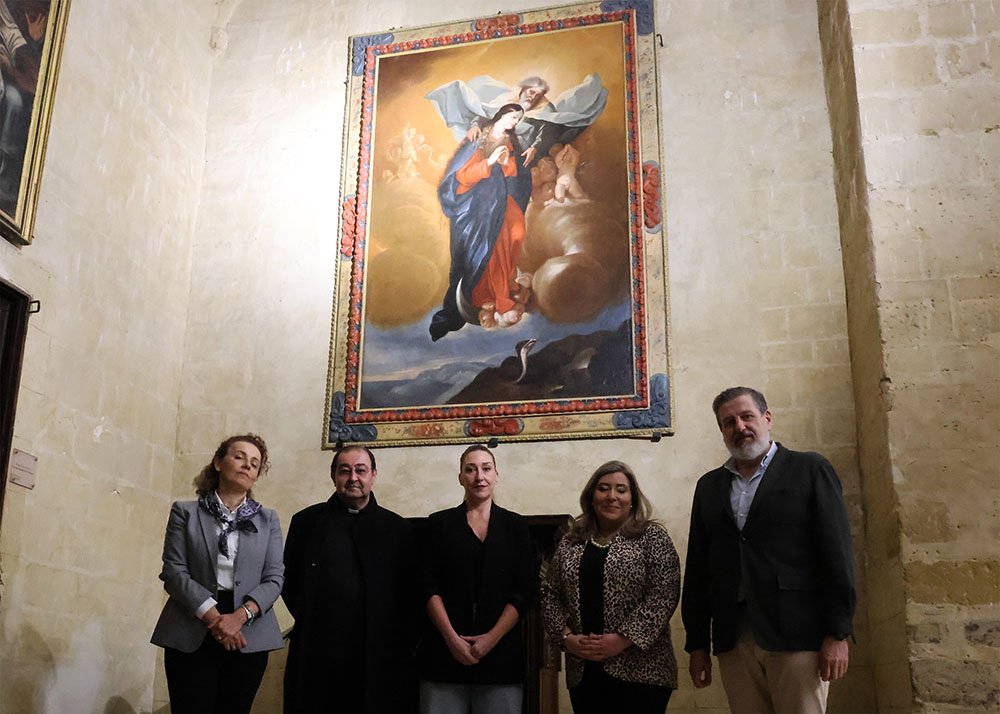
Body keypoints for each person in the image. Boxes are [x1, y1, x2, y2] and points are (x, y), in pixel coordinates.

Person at [681, 387, 856, 714]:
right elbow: (699, 569)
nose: (740, 426)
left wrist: (838, 631)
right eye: (728, 422)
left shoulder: (809, 470)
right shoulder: (709, 487)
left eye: (747, 416)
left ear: (767, 418)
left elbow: (837, 553)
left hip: (798, 634)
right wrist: (698, 645)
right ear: (722, 431)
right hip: (734, 636)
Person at [150, 434, 284, 714]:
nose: (247, 465)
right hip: (192, 624)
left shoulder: (268, 520)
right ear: (218, 462)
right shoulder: (185, 512)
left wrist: (239, 617)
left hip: (248, 631)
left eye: (255, 463)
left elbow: (274, 578)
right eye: (239, 456)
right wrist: (215, 619)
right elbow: (173, 571)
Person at [282, 445, 416, 713]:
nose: (353, 477)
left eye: (361, 470)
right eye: (344, 471)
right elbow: (289, 581)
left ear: (374, 475)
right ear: (333, 477)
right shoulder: (306, 522)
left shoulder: (398, 529)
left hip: (377, 654)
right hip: (317, 650)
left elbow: (409, 594)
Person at [541, 460, 681, 713]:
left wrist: (622, 640)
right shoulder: (571, 541)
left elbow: (664, 594)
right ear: (591, 497)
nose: (611, 496)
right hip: (584, 670)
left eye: (621, 489)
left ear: (632, 498)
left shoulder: (652, 536)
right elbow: (550, 594)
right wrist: (567, 639)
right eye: (603, 488)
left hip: (642, 670)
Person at [419, 444, 538, 713]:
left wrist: (491, 638)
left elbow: (524, 590)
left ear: (497, 474)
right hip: (443, 653)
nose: (478, 477)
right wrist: (451, 638)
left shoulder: (515, 526)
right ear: (460, 477)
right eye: (470, 470)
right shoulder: (439, 524)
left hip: (501, 656)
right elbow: (428, 585)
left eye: (486, 469)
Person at [431, 103, 533, 340]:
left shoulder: (509, 142)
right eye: (512, 116)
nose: (514, 122)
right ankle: (490, 295)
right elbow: (461, 177)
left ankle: (506, 284)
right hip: (477, 204)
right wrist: (488, 163)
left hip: (499, 197)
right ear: (502, 114)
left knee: (517, 232)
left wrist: (505, 161)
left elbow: (512, 174)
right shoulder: (478, 137)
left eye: (518, 119)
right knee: (492, 243)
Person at [426, 73, 608, 168]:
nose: (533, 96)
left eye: (538, 94)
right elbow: (485, 114)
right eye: (531, 92)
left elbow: (547, 129)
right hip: (491, 148)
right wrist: (474, 125)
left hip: (520, 154)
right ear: (523, 90)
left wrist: (535, 147)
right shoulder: (505, 102)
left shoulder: (543, 110)